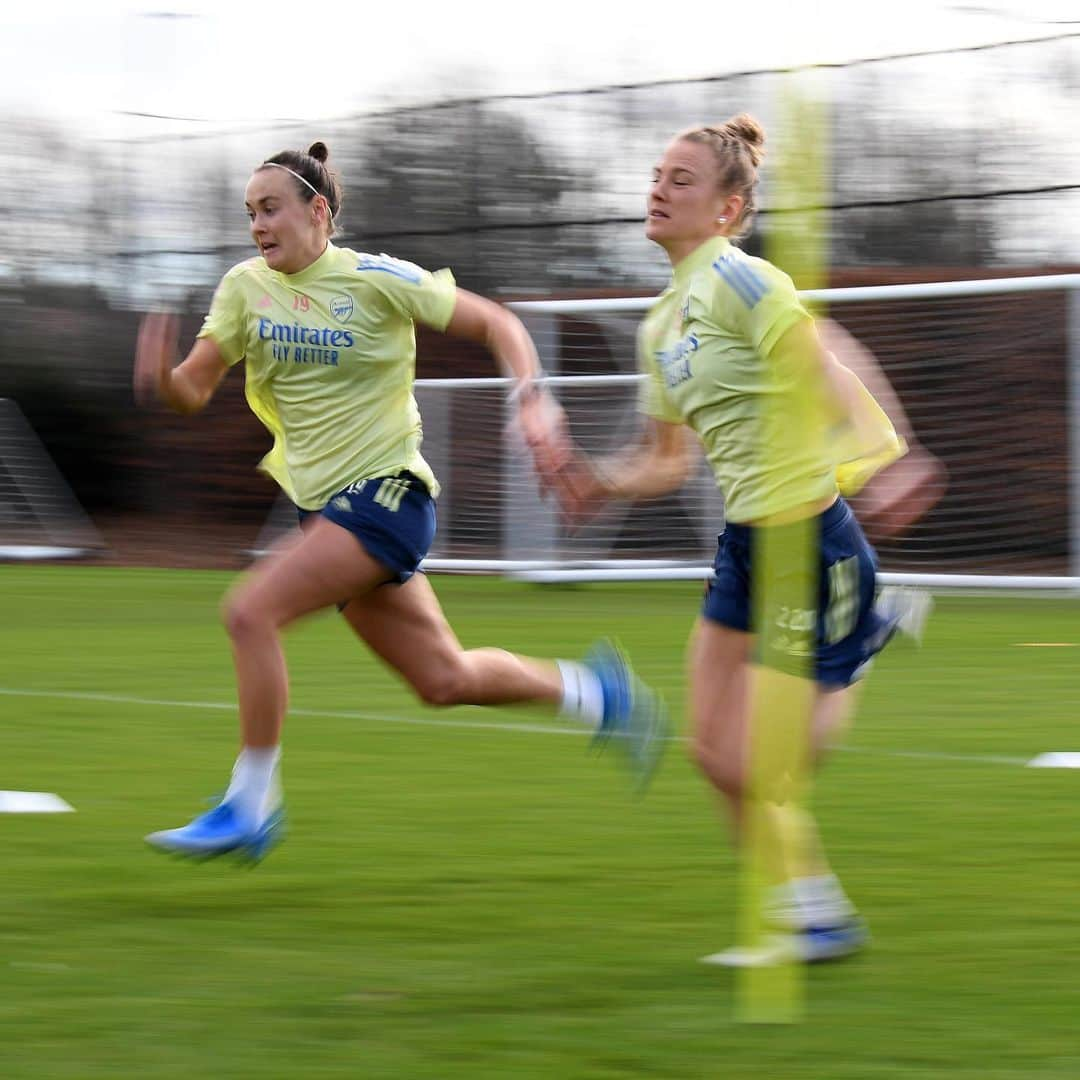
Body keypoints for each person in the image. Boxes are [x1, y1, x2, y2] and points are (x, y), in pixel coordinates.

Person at [133, 140, 667, 862]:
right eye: (250, 213)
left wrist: (532, 400)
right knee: (443, 680)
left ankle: (249, 804)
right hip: (327, 511)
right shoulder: (243, 288)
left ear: (317, 212)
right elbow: (194, 388)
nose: (257, 226)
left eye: (270, 209)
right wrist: (161, 379)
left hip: (388, 496)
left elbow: (499, 325)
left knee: (249, 612)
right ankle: (596, 693)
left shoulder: (377, 279)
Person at [544, 115, 938, 967]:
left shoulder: (744, 281)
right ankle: (814, 917)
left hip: (809, 540)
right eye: (657, 173)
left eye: (681, 179)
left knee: (770, 764)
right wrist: (599, 478)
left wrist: (886, 457)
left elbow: (829, 362)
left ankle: (865, 631)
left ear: (728, 210)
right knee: (715, 755)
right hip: (743, 549)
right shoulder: (660, 326)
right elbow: (667, 460)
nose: (658, 187)